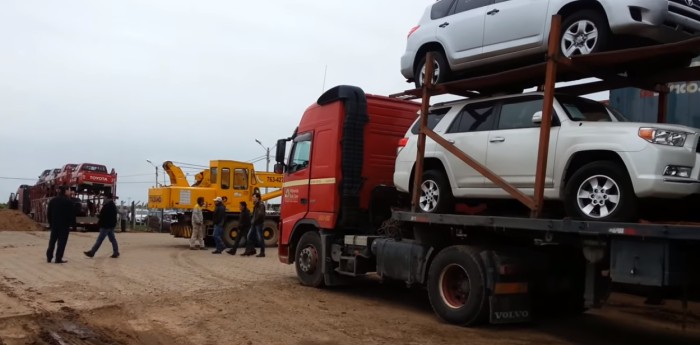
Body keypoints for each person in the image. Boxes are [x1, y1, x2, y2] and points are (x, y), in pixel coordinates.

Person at [84, 191, 120, 258]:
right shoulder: (113, 205)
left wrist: (98, 215)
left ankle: (92, 252)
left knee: (99, 240)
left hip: (105, 226)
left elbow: (103, 216)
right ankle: (116, 252)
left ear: (107, 197)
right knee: (113, 239)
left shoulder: (106, 206)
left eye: (104, 197)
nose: (103, 198)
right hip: (111, 226)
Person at [46, 186, 76, 264]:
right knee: (62, 242)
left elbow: (49, 213)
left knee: (52, 241)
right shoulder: (68, 202)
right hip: (64, 226)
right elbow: (71, 214)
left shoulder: (53, 201)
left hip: (54, 224)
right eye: (69, 190)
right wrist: (73, 225)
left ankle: (49, 257)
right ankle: (58, 258)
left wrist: (50, 223)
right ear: (65, 191)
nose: (70, 192)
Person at [243, 192, 266, 257]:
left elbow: (260, 214)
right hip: (254, 223)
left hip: (258, 223)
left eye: (254, 197)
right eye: (252, 197)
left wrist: (254, 220)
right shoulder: (256, 204)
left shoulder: (260, 204)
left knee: (260, 238)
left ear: (258, 198)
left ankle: (262, 252)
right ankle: (251, 250)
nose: (252, 198)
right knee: (249, 236)